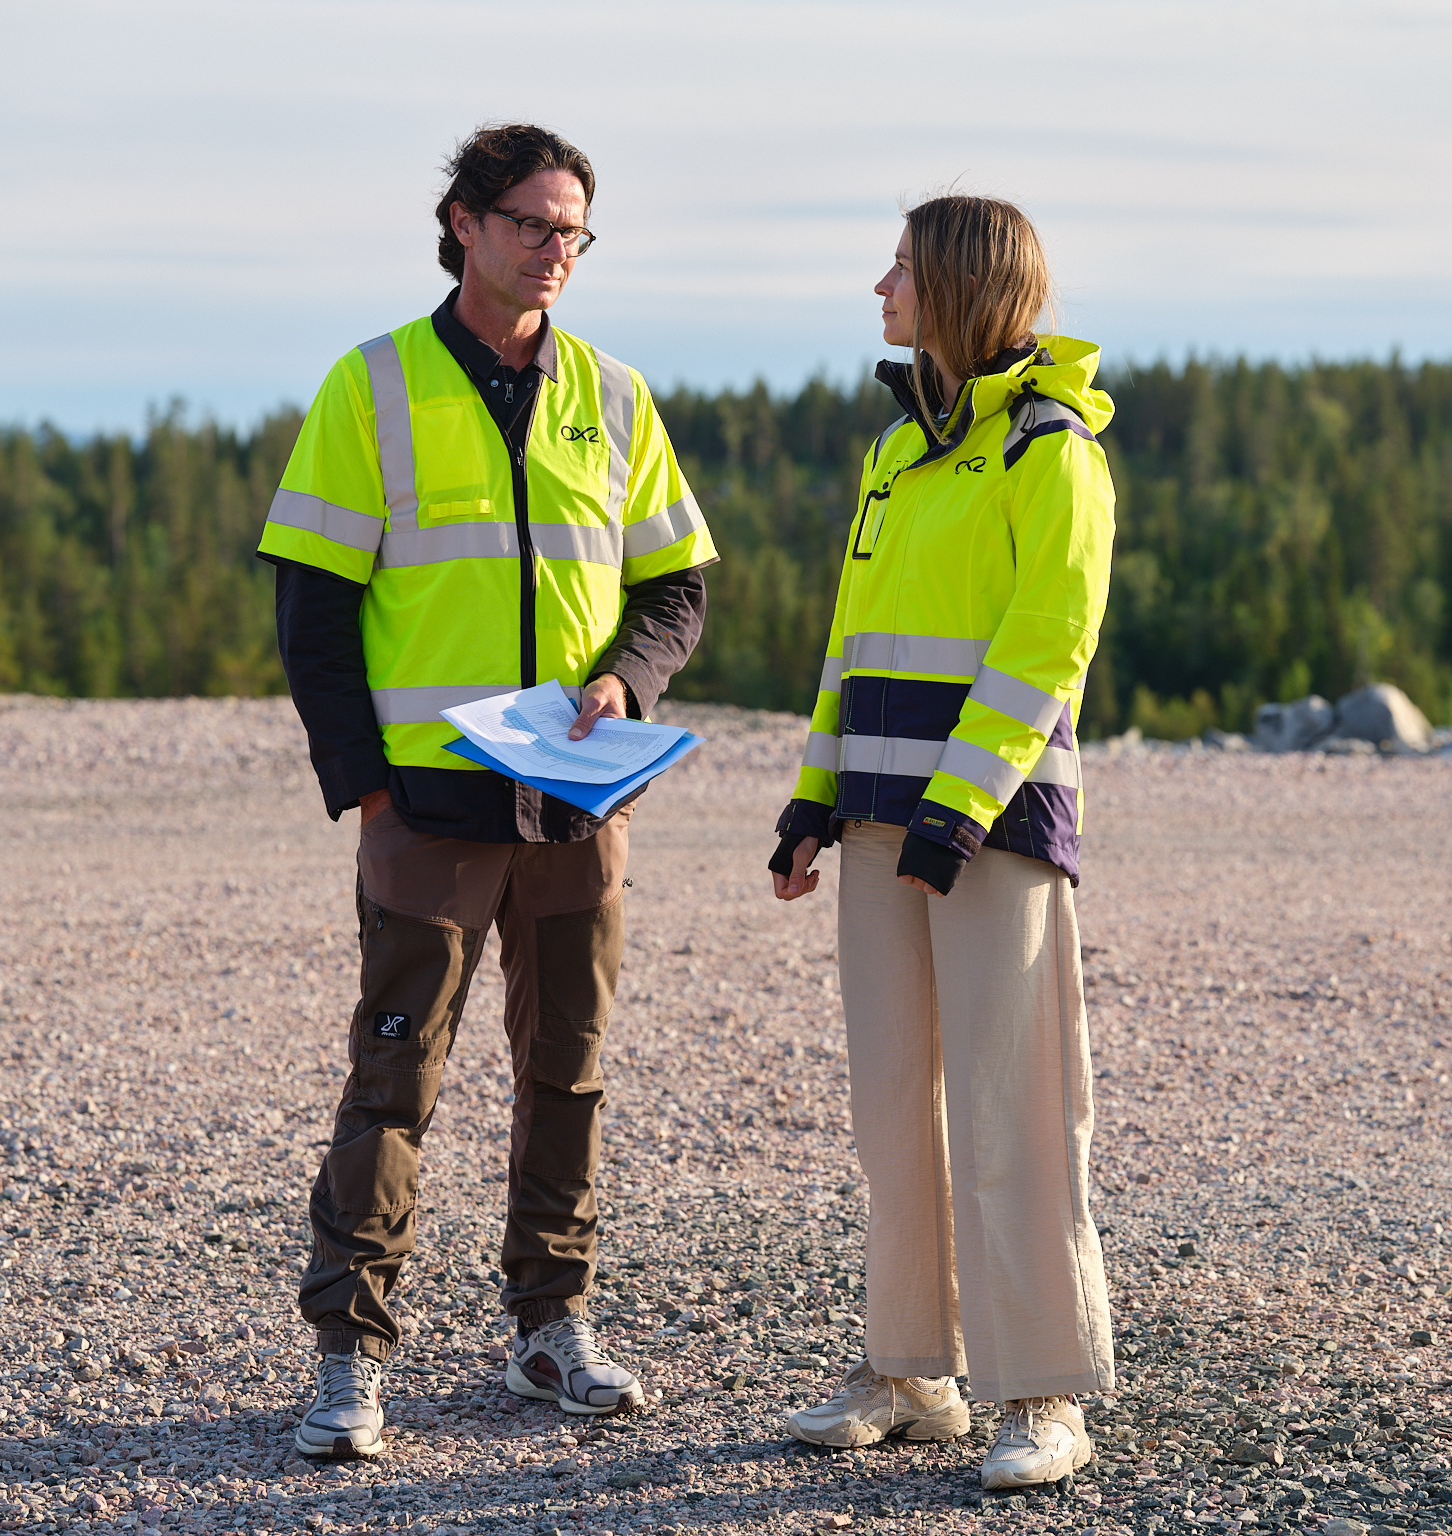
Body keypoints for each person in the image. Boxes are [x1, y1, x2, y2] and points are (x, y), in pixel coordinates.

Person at [256, 122, 716, 1460]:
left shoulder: (614, 395)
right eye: (530, 222)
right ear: (462, 223)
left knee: (567, 1073)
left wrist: (627, 679)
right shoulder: (373, 385)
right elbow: (312, 608)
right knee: (393, 1080)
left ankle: (551, 1328)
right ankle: (350, 1355)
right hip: (429, 808)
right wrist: (366, 790)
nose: (554, 248)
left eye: (573, 229)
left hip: (577, 807)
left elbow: (675, 586)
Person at [769, 194, 1117, 1490]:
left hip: (992, 829)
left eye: (903, 269)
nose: (881, 287)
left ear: (964, 285)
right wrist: (813, 799)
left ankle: (1044, 1392)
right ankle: (912, 1371)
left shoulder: (1051, 450)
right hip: (877, 825)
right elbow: (852, 643)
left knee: (1010, 1103)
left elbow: (1047, 647)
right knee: (891, 1107)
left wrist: (959, 809)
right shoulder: (896, 449)